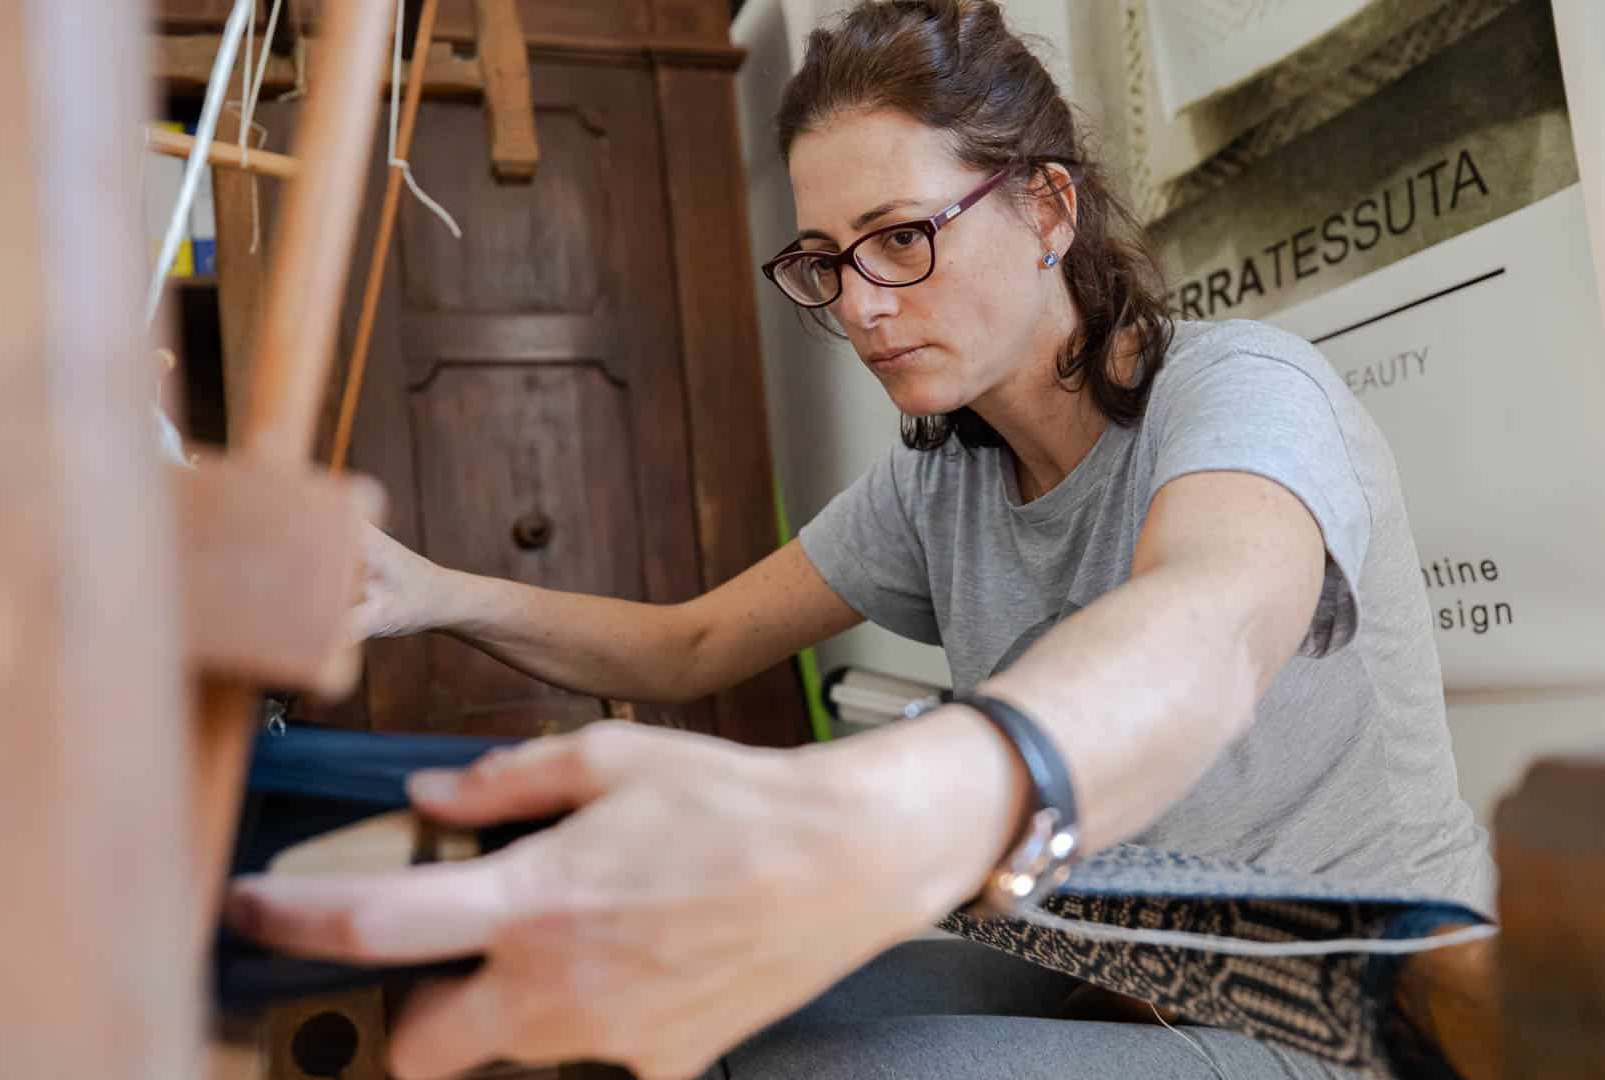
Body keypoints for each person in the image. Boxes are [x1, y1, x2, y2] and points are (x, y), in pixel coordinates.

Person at [224, 2, 1493, 1077]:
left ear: (1047, 208)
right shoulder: (939, 475)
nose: (866, 305)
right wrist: (428, 592)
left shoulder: (1242, 389)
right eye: (828, 261)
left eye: (904, 238)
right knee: (729, 1035)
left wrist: (902, 805)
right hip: (1104, 964)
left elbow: (1206, 624)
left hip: (1334, 1005)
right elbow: (695, 640)